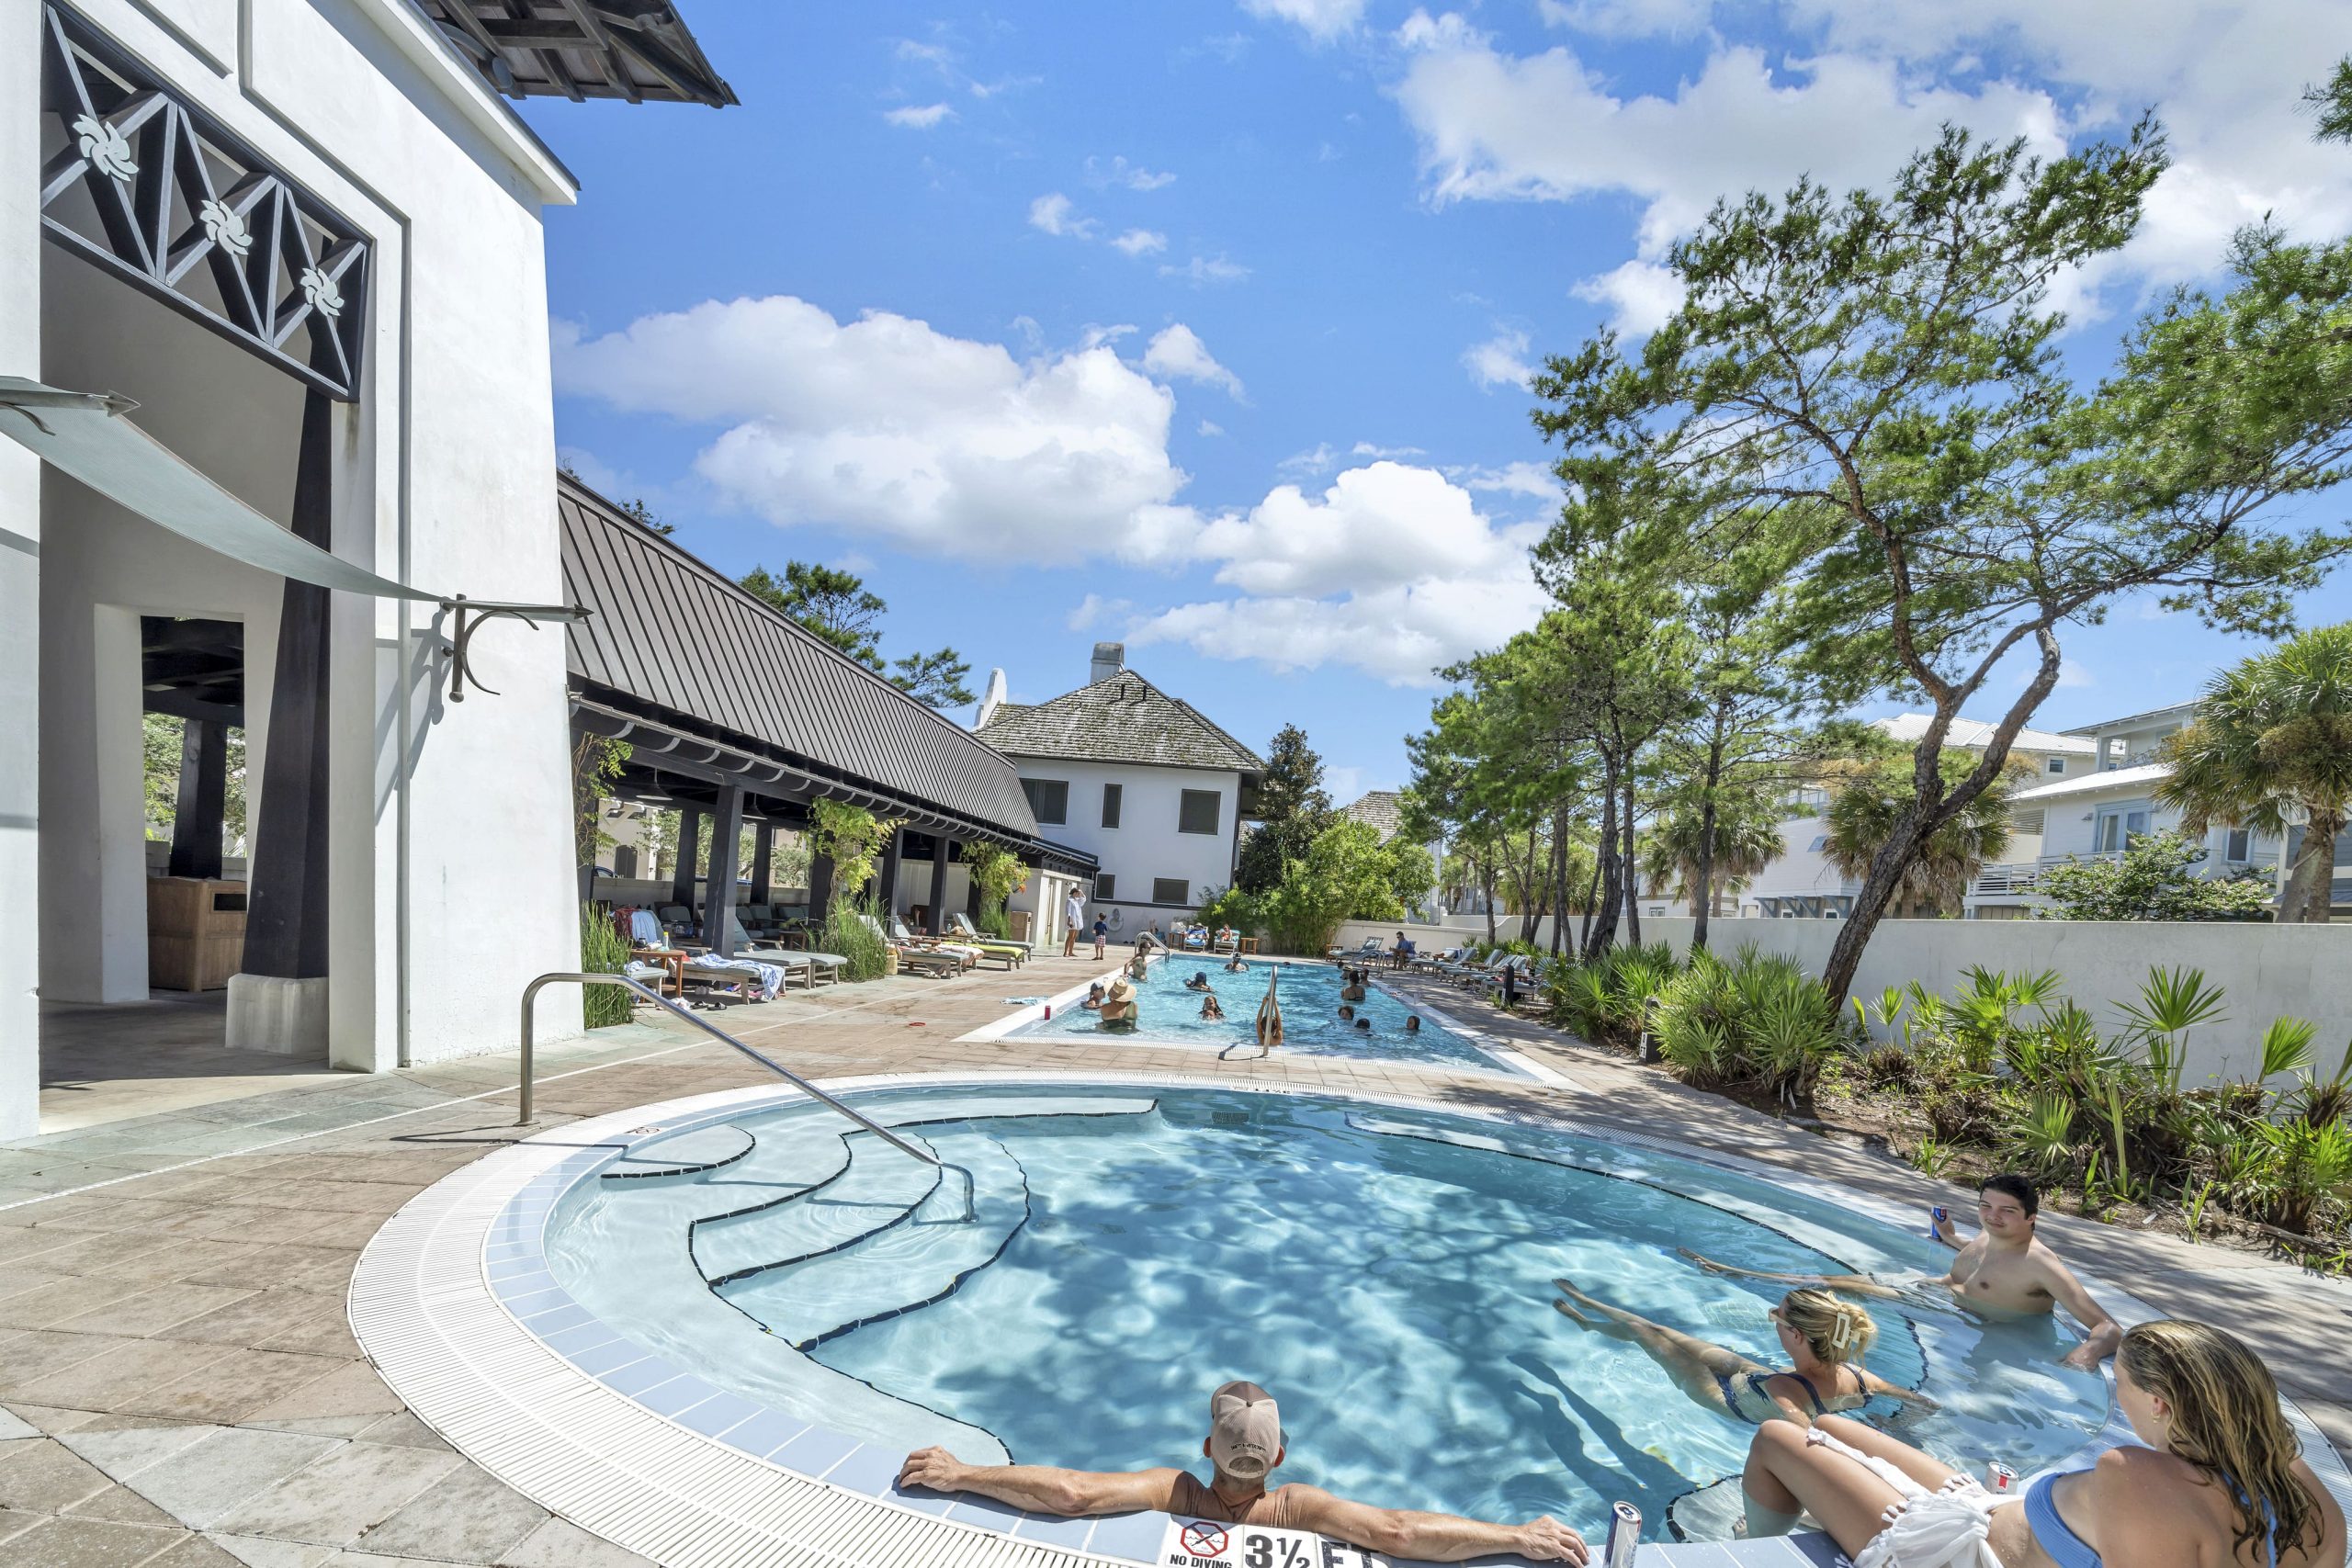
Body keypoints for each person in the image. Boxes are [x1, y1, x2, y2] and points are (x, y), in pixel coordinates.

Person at [1736, 1318, 2344, 1568]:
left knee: (1775, 1436)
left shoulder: (2135, 1474)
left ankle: (1760, 1547)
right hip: (1976, 1511)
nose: (2119, 1394)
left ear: (2158, 1404)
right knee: (1832, 1426)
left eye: (2122, 1384)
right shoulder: (2303, 1489)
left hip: (1947, 1553)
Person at [898, 1381, 1588, 1563]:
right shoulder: (1299, 1505)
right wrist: (1514, 1534)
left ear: (1206, 1446)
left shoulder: (1176, 1490)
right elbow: (1400, 1534)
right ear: (1279, 1458)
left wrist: (963, 1474)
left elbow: (1072, 1494)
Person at [1682, 1174, 2120, 1371]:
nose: (1992, 1216)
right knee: (1843, 1284)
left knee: (1835, 1286)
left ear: (2031, 1219)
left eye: (2007, 1211)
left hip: (1977, 1325)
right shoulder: (1988, 1236)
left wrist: (2083, 1357)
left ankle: (1740, 1275)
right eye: (1985, 1206)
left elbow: (2107, 1325)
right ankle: (1749, 1277)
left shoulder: (2042, 1264)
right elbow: (1984, 1261)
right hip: (1940, 1298)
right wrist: (1950, 1239)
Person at [1551, 1280, 1932, 1428]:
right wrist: (1889, 1426)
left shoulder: (1789, 1392)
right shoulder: (1861, 1376)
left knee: (1642, 1332)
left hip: (1726, 1397)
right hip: (1757, 1377)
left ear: (1796, 1335)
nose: (1773, 1321)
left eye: (1776, 1318)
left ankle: (1587, 1321)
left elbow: (1812, 1444)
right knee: (1662, 1330)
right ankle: (1587, 1302)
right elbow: (1925, 1405)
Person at [1064, 889, 1085, 957]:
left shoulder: (1077, 900)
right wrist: (1069, 920)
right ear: (1074, 893)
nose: (1078, 895)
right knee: (1070, 936)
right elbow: (1068, 911)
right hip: (1072, 920)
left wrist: (1081, 892)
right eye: (1077, 893)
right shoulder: (1070, 900)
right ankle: (1065, 952)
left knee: (1074, 937)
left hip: (1077, 920)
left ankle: (1070, 952)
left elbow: (1084, 899)